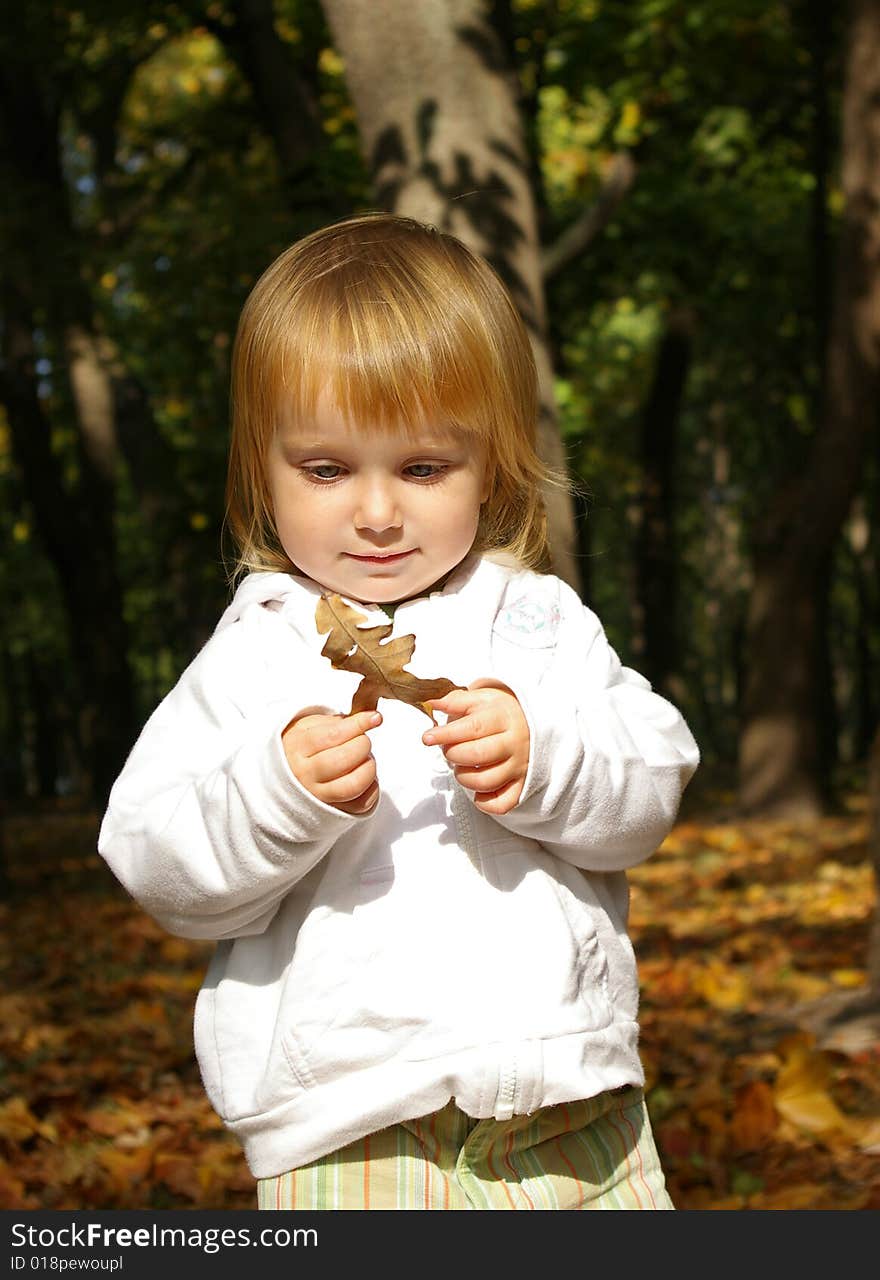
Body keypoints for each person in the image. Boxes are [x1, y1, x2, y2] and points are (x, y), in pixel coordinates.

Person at [98, 212, 700, 1211]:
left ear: (492, 461)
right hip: (347, 1128)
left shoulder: (537, 620)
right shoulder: (259, 649)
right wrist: (277, 791)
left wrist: (544, 756)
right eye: (326, 468)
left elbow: (650, 782)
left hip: (574, 1112)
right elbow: (156, 860)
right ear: (262, 466)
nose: (376, 512)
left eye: (422, 468)